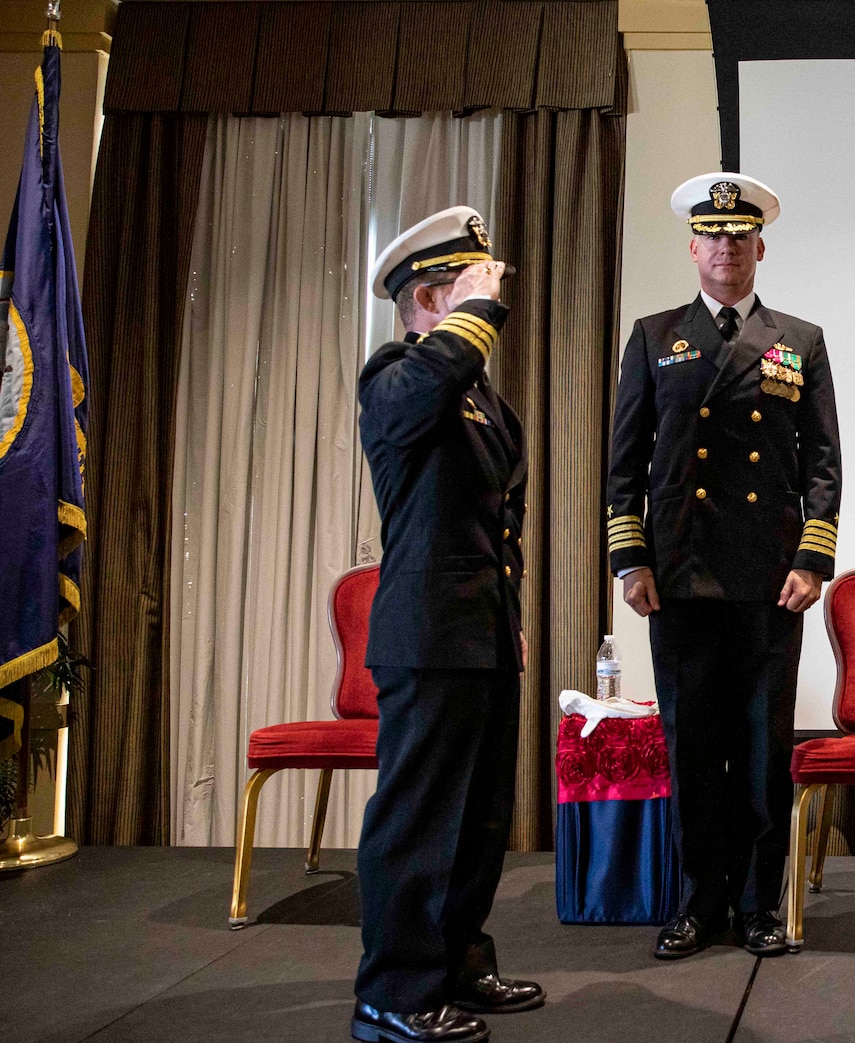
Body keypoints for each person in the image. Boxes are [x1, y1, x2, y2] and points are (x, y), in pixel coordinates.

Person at [607, 173, 842, 959]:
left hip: (769, 580)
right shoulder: (653, 335)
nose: (726, 247)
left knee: (764, 748)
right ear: (693, 247)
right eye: (713, 235)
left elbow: (823, 465)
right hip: (678, 575)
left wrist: (814, 560)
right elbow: (624, 465)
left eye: (740, 236)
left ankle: (758, 906)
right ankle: (697, 902)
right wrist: (629, 559)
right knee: (692, 744)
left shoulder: (797, 340)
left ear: (759, 248)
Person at [353, 206, 543, 1043]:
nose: (491, 305)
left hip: (483, 632)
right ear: (429, 297)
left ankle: (457, 964)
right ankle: (392, 992)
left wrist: (513, 616)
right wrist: (471, 314)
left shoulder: (482, 400)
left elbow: (505, 518)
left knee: (478, 818)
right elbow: (416, 401)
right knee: (419, 819)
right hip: (427, 635)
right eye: (469, 289)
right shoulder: (394, 376)